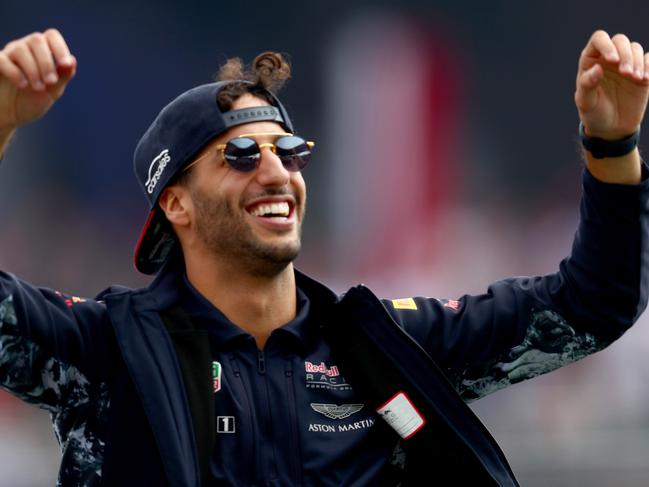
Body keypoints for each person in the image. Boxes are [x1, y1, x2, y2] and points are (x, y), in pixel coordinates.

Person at [0, 27, 647, 487]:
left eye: (290, 151)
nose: (276, 171)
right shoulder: (109, 345)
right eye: (241, 155)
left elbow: (591, 305)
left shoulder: (381, 343)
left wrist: (611, 145)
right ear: (177, 204)